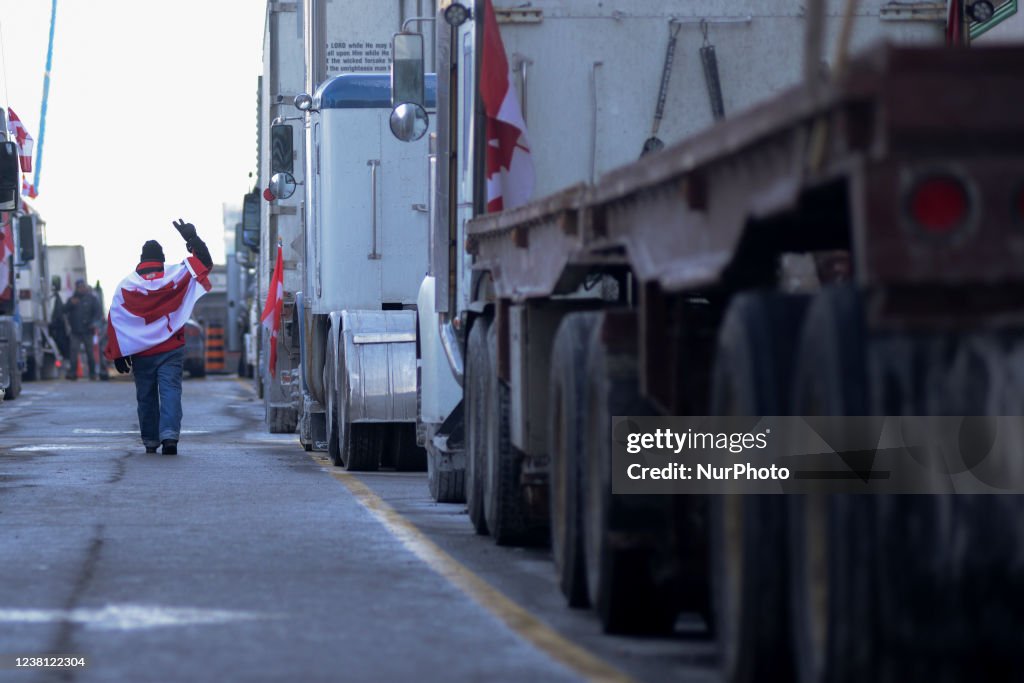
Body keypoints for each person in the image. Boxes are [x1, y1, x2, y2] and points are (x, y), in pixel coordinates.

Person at [105, 219, 213, 455]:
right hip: (171, 348)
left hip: (142, 353)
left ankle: (150, 441)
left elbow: (115, 319)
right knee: (171, 391)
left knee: (146, 397)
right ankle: (170, 437)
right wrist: (192, 239)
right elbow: (205, 264)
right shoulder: (175, 275)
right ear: (162, 260)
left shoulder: (126, 285)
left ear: (141, 261)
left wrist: (117, 354)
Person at [64, 279, 101, 380]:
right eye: (79, 287)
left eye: (83, 286)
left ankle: (92, 374)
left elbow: (97, 313)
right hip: (75, 331)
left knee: (90, 353)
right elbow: (64, 310)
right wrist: (71, 304)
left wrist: (94, 323)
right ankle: (72, 373)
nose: (81, 289)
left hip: (87, 330)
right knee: (73, 353)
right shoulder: (72, 299)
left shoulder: (92, 299)